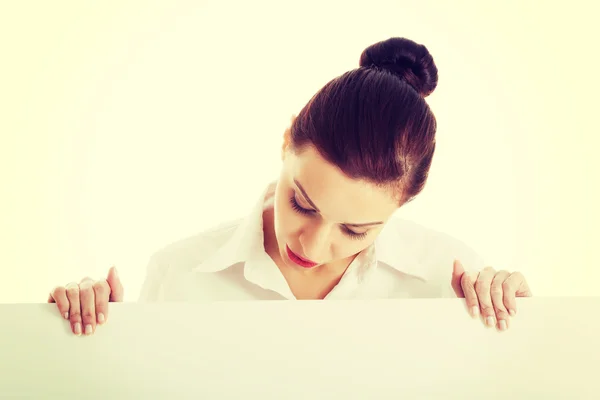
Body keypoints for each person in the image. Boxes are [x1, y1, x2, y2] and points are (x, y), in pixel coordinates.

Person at [48, 37, 532, 337]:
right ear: (285, 144)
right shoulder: (179, 274)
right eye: (302, 203)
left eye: (356, 230)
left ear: (402, 203)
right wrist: (86, 344)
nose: (314, 245)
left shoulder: (446, 280)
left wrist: (527, 330)